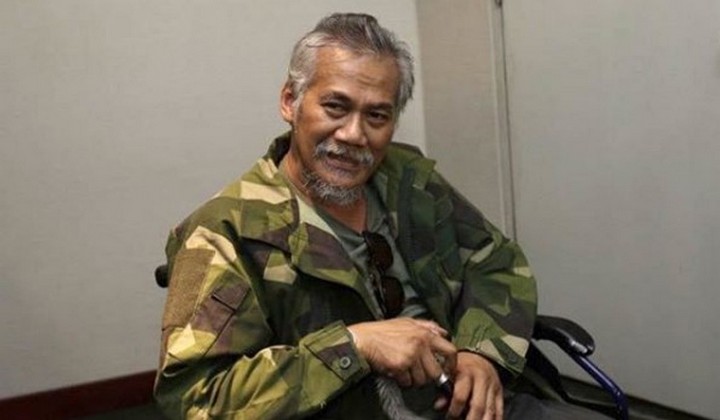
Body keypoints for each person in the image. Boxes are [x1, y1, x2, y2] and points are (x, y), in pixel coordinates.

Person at [154, 13, 607, 420]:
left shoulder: (407, 181)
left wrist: (481, 352)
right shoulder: (225, 230)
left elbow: (495, 262)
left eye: (376, 115)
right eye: (335, 106)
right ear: (290, 102)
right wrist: (356, 345)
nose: (354, 135)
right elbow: (197, 397)